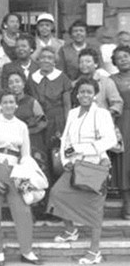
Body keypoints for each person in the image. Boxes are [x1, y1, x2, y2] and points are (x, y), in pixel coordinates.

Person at [47, 78, 116, 265]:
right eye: (82, 92)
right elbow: (65, 141)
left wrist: (83, 149)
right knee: (57, 193)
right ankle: (71, 231)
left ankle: (95, 252)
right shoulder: (72, 113)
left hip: (95, 166)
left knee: (94, 210)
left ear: (94, 95)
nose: (85, 95)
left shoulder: (101, 114)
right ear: (76, 94)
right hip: (74, 165)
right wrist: (65, 160)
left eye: (89, 92)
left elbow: (110, 140)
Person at [0, 90, 43, 266]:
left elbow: (26, 154)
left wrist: (25, 177)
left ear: (16, 104)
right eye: (5, 102)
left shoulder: (21, 125)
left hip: (16, 171)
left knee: (23, 211)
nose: (8, 105)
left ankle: (26, 250)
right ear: (0, 104)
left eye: (11, 102)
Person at [28, 47, 72, 182]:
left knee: (56, 159)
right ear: (38, 60)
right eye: (43, 57)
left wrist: (67, 126)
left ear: (55, 61)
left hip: (57, 120)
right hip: (39, 121)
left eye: (50, 58)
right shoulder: (32, 78)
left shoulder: (62, 77)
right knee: (39, 156)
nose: (46, 60)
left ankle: (56, 194)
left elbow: (67, 105)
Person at [110, 45, 130, 219]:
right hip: (123, 121)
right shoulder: (111, 80)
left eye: (126, 56)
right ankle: (127, 203)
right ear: (114, 62)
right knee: (125, 162)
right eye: (119, 57)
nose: (123, 59)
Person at [72, 48, 123, 115]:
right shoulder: (74, 84)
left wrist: (105, 115)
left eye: (88, 61)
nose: (84, 64)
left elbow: (117, 103)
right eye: (81, 62)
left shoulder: (106, 82)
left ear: (96, 64)